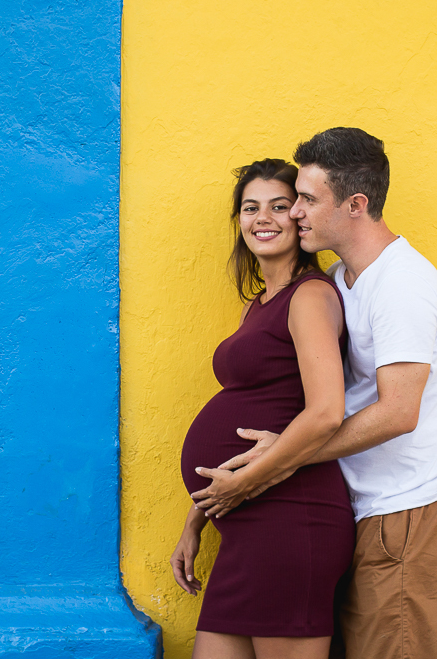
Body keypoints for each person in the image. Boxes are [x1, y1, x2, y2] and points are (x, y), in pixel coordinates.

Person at [192, 128, 437, 659]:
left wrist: (275, 460)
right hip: (364, 506)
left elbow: (397, 412)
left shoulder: (402, 284)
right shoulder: (346, 278)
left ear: (356, 205)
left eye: (307, 199)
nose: (295, 212)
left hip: (407, 510)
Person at [172, 158, 356, 659]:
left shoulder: (310, 296)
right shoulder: (260, 303)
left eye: (280, 206)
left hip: (292, 520)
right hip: (246, 523)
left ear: (300, 217)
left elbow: (324, 414)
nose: (264, 218)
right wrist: (197, 517)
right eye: (251, 208)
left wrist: (244, 485)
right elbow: (262, 413)